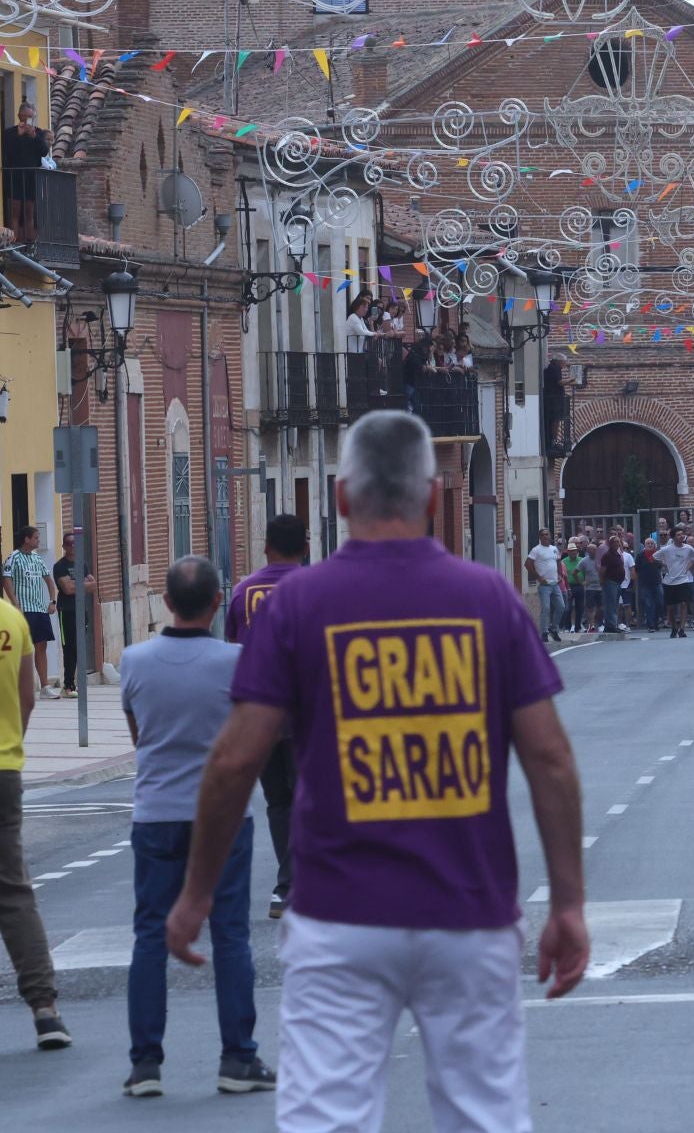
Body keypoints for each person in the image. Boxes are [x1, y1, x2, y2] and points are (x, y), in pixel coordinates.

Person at [165, 410, 587, 1131]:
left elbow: (235, 760)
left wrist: (197, 891)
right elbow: (548, 757)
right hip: (469, 911)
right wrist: (569, 903)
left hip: (339, 912)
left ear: (339, 497)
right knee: (483, 1115)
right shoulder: (488, 599)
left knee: (326, 1117)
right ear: (433, 497)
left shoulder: (298, 605)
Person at [120, 557, 273, 1098]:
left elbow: (139, 735)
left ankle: (145, 1064)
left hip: (156, 813)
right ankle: (238, 1057)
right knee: (231, 935)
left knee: (149, 934)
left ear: (166, 602)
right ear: (217, 602)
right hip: (226, 815)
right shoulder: (237, 662)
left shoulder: (134, 660)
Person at [0, 537, 70, 1057]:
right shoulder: (8, 618)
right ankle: (45, 1009)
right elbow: (27, 698)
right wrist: (7, 748)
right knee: (12, 891)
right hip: (2, 769)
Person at [227, 514, 308, 921]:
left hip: (259, 716)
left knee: (278, 800)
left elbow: (234, 648)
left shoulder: (243, 591)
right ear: (306, 548)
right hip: (306, 715)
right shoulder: (316, 589)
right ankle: (301, 883)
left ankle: (287, 887)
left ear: (265, 547)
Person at [2, 525, 57, 700]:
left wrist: (52, 601)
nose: (38, 540)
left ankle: (45, 687)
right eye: (36, 537)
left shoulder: (37, 558)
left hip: (40, 609)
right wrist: (15, 603)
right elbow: (6, 580)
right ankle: (18, 687)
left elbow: (49, 580)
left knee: (42, 646)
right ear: (26, 539)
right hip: (24, 610)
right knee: (22, 648)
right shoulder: (13, 557)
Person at [1, 101, 49, 242]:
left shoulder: (38, 133)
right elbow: (8, 152)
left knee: (30, 213)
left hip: (31, 177)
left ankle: (30, 245)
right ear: (19, 116)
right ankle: (14, 244)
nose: (27, 120)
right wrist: (18, 135)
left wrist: (34, 137)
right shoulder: (10, 133)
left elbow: (44, 152)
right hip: (14, 177)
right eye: (25, 116)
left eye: (30, 117)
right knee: (14, 213)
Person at [51, 532, 93, 696]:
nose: (73, 546)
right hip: (66, 611)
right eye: (69, 543)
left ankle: (78, 682)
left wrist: (75, 583)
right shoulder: (60, 566)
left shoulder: (82, 564)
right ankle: (68, 685)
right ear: (64, 546)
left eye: (75, 543)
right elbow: (67, 589)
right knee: (69, 648)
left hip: (82, 610)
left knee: (80, 647)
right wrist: (83, 583)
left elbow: (94, 585)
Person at [523, 527, 564, 643]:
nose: (545, 536)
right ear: (540, 537)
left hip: (555, 584)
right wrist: (538, 578)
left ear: (550, 536)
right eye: (543, 535)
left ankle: (554, 629)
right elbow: (527, 564)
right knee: (546, 608)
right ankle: (544, 632)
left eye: (547, 534)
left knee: (561, 607)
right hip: (544, 585)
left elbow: (558, 561)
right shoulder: (536, 550)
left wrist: (560, 574)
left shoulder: (554, 549)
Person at [598, 533, 629, 633]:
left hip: (618, 582)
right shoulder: (607, 555)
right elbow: (603, 570)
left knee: (614, 604)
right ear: (610, 544)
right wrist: (602, 581)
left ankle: (610, 625)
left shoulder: (618, 554)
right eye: (614, 542)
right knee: (611, 604)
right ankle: (611, 625)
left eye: (618, 542)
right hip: (610, 582)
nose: (616, 544)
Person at [633, 538, 664, 633]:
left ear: (654, 545)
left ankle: (656, 621)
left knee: (660, 603)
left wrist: (655, 560)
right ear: (645, 545)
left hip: (657, 582)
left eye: (651, 543)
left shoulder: (657, 555)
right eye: (648, 543)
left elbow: (661, 566)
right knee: (648, 604)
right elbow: (636, 569)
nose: (650, 545)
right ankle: (651, 625)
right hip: (645, 583)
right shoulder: (640, 556)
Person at [561, 540, 587, 635]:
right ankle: (567, 626)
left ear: (577, 551)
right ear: (568, 552)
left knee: (580, 607)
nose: (573, 552)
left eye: (575, 550)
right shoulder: (563, 561)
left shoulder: (582, 560)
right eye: (571, 551)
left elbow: (586, 572)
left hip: (579, 586)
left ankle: (578, 627)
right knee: (568, 608)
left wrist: (585, 582)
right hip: (569, 586)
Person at [578, 537, 603, 632]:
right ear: (588, 551)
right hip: (590, 588)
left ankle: (598, 622)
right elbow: (575, 572)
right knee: (590, 607)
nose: (594, 551)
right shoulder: (584, 561)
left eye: (595, 549)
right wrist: (582, 582)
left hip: (600, 587)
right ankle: (591, 625)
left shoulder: (601, 560)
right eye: (592, 550)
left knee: (601, 607)